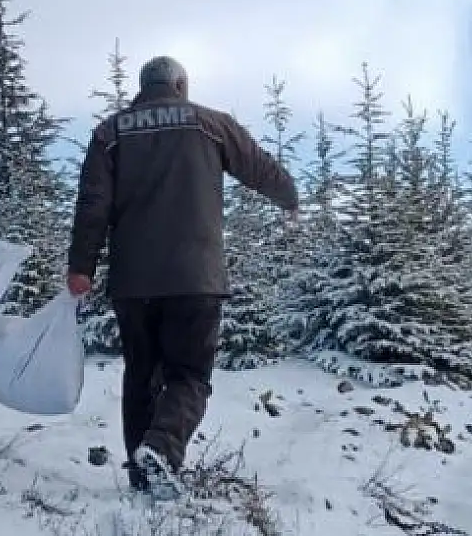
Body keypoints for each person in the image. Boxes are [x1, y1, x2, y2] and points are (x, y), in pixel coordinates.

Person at [65, 56, 299, 500]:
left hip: (134, 281)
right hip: (196, 276)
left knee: (140, 374)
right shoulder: (211, 123)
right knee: (189, 375)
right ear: (180, 84)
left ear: (144, 86)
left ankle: (142, 472)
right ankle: (161, 447)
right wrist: (289, 197)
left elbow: (93, 203)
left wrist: (81, 267)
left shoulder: (110, 132)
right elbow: (260, 167)